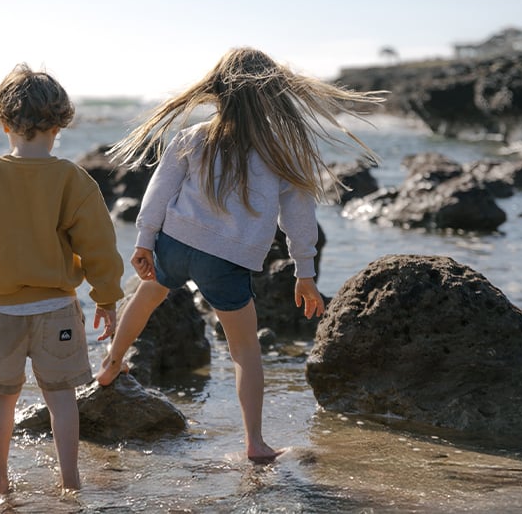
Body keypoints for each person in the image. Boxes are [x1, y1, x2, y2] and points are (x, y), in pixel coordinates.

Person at [94, 47, 384, 462]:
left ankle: (111, 362)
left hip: (175, 243)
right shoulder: (281, 150)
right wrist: (304, 272)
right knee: (245, 350)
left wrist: (143, 239)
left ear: (217, 91)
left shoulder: (193, 136)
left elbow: (158, 191)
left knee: (145, 297)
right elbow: (298, 216)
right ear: (272, 95)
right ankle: (255, 443)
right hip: (226, 262)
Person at [0, 64, 125, 494]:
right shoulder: (73, 179)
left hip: (2, 308)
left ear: (4, 123)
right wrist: (106, 298)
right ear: (59, 124)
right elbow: (98, 244)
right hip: (57, 308)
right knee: (62, 399)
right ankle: (71, 482)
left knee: (1, 400)